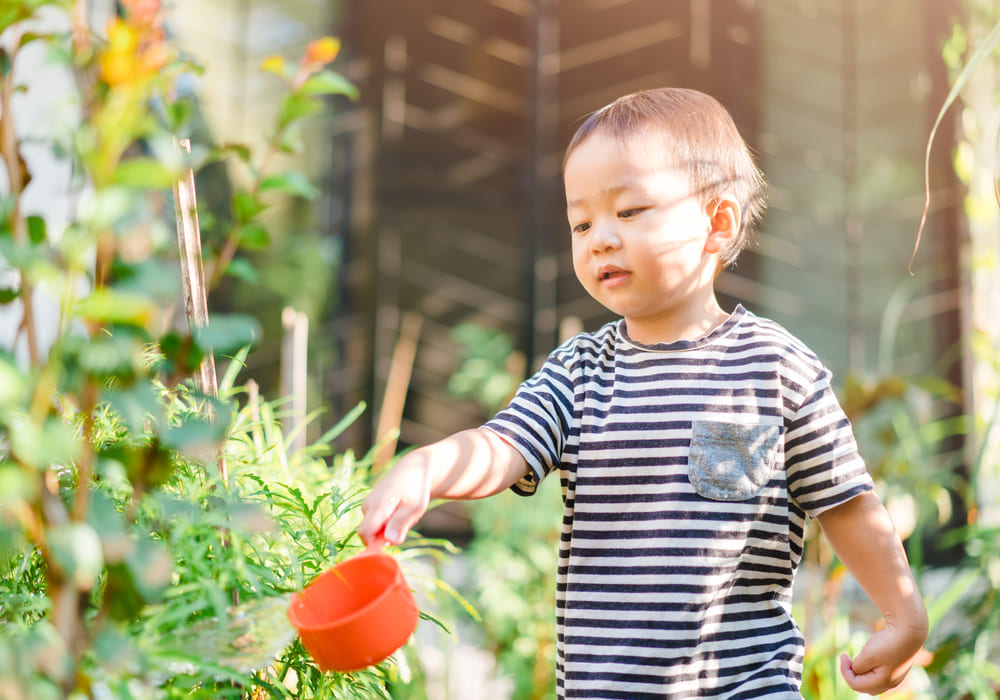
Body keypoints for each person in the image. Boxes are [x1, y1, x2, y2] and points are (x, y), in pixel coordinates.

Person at [358, 87, 928, 699]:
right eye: (582, 222)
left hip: (746, 686)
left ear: (718, 223)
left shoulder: (777, 368)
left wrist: (904, 615)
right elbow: (502, 446)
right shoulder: (579, 372)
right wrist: (427, 466)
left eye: (628, 212)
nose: (600, 237)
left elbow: (846, 503)